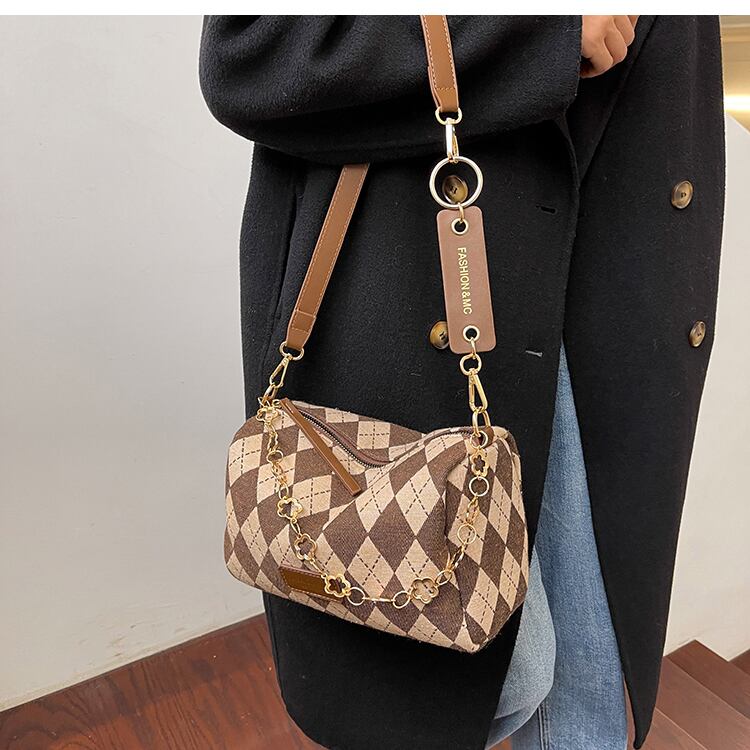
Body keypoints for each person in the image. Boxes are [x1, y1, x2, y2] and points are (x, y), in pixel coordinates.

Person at [200, 15, 725, 750]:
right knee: (469, 685)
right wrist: (538, 30)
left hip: (615, 297)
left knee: (594, 703)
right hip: (408, 305)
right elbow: (251, 55)